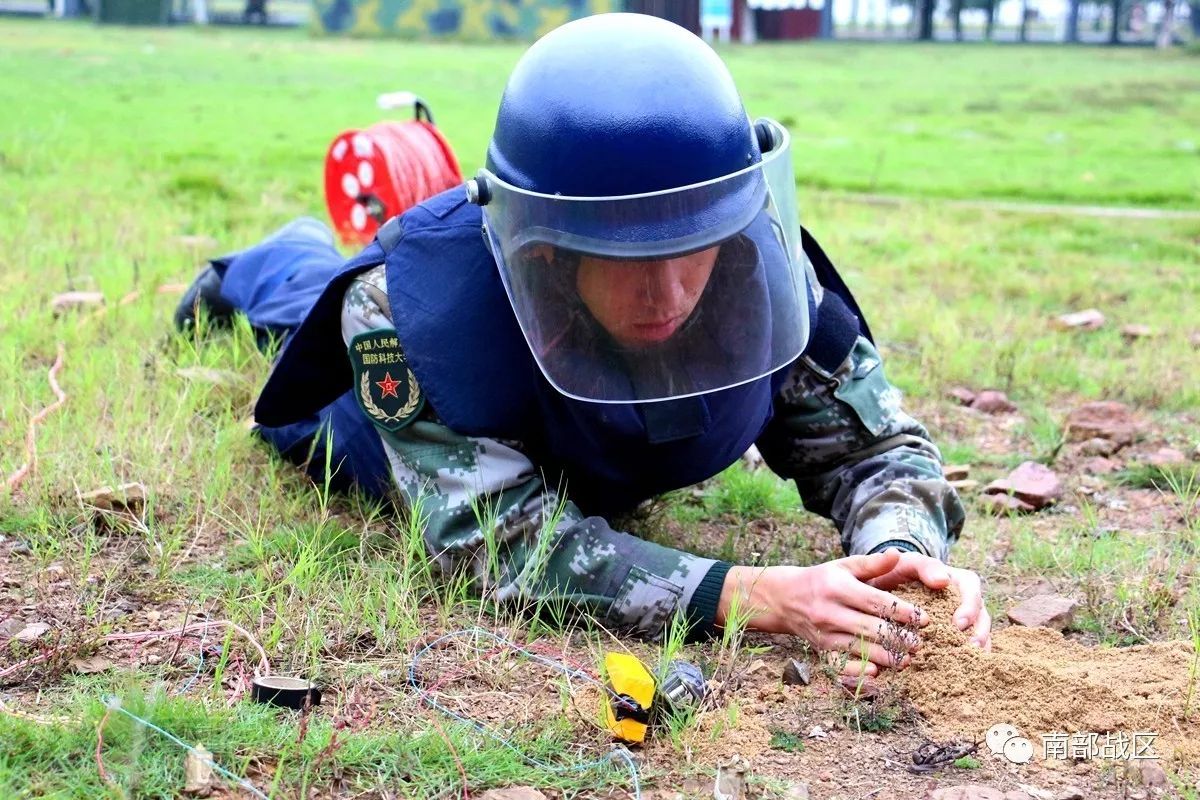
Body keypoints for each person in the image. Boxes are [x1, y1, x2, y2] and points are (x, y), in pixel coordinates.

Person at [177, 13, 990, 680]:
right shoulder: (403, 315)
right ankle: (260, 260)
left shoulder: (756, 270)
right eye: (629, 260)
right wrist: (749, 594)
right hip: (380, 432)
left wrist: (897, 564)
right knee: (298, 287)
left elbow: (878, 451)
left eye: (694, 247)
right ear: (547, 250)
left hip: (602, 457)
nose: (669, 296)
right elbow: (496, 543)